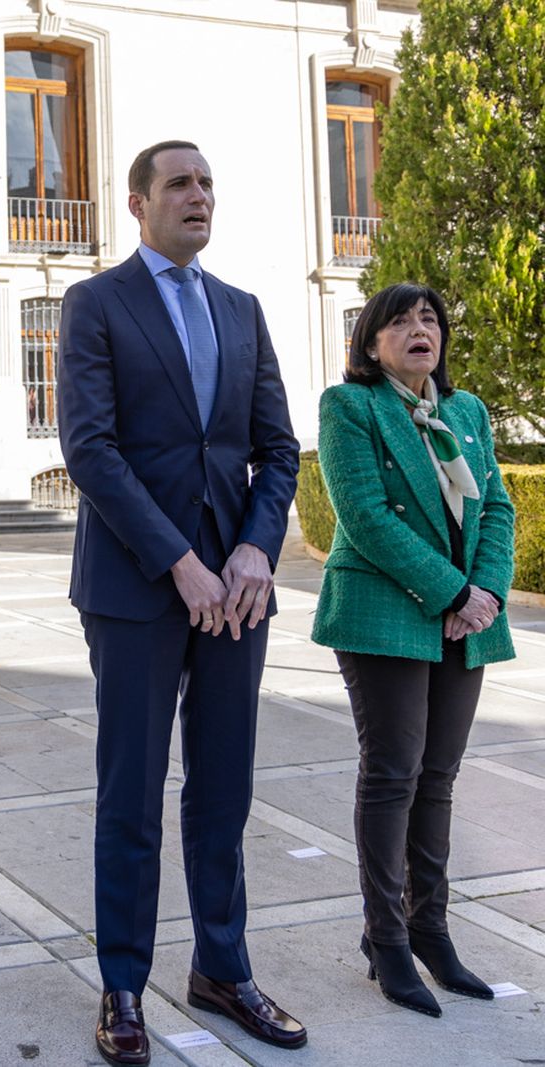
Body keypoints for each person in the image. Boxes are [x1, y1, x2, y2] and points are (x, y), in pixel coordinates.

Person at [56, 140, 305, 1065]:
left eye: (206, 183)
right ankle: (123, 982)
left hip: (236, 592)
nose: (199, 196)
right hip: (136, 587)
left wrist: (251, 548)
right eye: (180, 184)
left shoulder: (242, 310)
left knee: (224, 787)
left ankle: (222, 967)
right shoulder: (96, 303)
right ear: (137, 203)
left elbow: (277, 449)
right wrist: (179, 563)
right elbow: (90, 449)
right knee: (131, 792)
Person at [312, 283, 514, 1016]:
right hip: (383, 611)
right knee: (394, 772)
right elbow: (364, 515)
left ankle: (430, 927)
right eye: (400, 321)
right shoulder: (352, 407)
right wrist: (454, 593)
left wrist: (484, 590)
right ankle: (386, 937)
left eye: (429, 318)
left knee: (440, 775)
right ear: (371, 343)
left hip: (466, 613)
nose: (419, 328)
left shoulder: (466, 412)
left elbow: (495, 504)